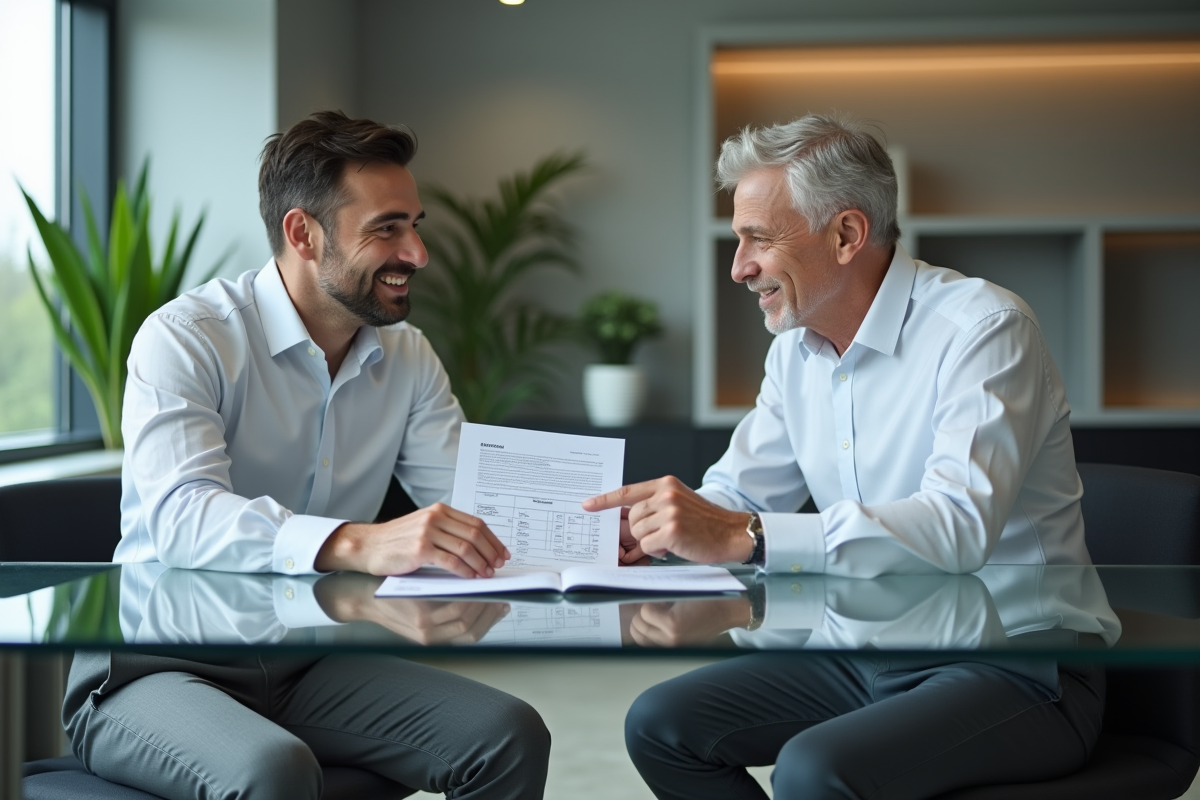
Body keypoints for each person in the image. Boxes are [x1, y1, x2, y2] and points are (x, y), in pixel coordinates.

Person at [584, 115, 1103, 799]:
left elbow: (958, 525)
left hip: (1018, 663)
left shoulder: (983, 329)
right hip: (860, 647)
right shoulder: (794, 351)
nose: (738, 268)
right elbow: (739, 498)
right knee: (660, 725)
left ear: (847, 235)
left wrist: (744, 536)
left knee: (813, 771)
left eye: (757, 240)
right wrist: (658, 532)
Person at [62, 110, 550, 800]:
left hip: (306, 661)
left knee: (507, 732)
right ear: (303, 233)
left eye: (415, 224)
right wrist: (360, 543)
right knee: (275, 770)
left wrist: (597, 532)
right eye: (387, 228)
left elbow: (480, 500)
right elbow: (182, 517)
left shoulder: (406, 356)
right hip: (155, 671)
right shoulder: (187, 338)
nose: (417, 253)